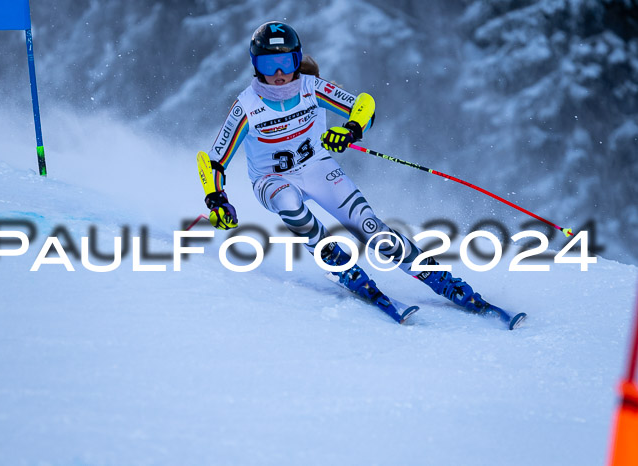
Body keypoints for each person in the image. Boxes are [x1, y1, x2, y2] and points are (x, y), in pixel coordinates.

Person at [203, 21, 489, 324]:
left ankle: (440, 278)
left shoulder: (312, 88)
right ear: (255, 65)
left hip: (317, 168)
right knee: (288, 201)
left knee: (371, 229)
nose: (278, 74)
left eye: (285, 62)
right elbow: (213, 160)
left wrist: (350, 130)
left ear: (297, 60)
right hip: (271, 180)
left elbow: (363, 104)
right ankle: (340, 264)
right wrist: (216, 198)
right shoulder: (246, 106)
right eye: (268, 64)